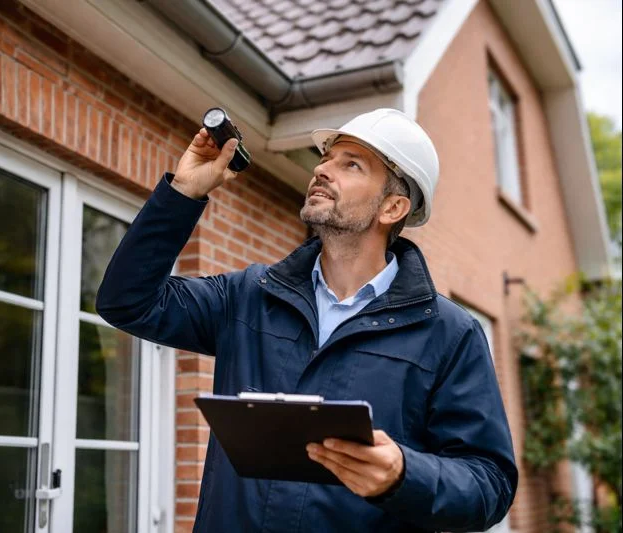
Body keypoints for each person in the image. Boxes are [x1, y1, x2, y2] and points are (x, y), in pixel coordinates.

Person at [96, 108, 518, 532]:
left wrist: (404, 474)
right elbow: (127, 302)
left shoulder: (448, 333)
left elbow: (490, 485)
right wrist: (183, 193)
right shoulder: (250, 296)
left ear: (392, 207)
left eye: (350, 164)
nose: (322, 170)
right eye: (325, 159)